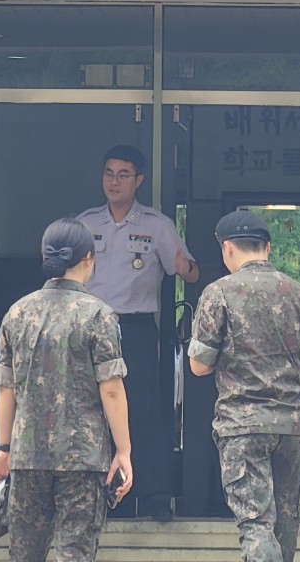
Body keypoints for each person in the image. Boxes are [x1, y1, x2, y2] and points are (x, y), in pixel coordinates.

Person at [0, 218, 134, 562]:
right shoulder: (99, 315)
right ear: (88, 258)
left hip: (27, 455)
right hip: (83, 456)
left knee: (25, 554)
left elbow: (6, 389)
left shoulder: (17, 313)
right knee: (75, 554)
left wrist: (4, 448)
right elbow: (112, 390)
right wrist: (124, 451)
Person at [188, 211, 300, 562]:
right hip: (292, 424)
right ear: (268, 247)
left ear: (227, 248)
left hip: (242, 424)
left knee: (256, 524)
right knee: (285, 522)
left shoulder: (218, 293)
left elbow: (199, 366)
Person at [76, 144, 198, 520]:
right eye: (109, 173)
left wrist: (185, 268)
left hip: (135, 329)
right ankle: (97, 496)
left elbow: (191, 272)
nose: (114, 181)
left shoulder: (156, 225)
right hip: (88, 326)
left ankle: (155, 496)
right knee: (89, 409)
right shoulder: (85, 224)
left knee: (143, 411)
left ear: (138, 180)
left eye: (123, 175)